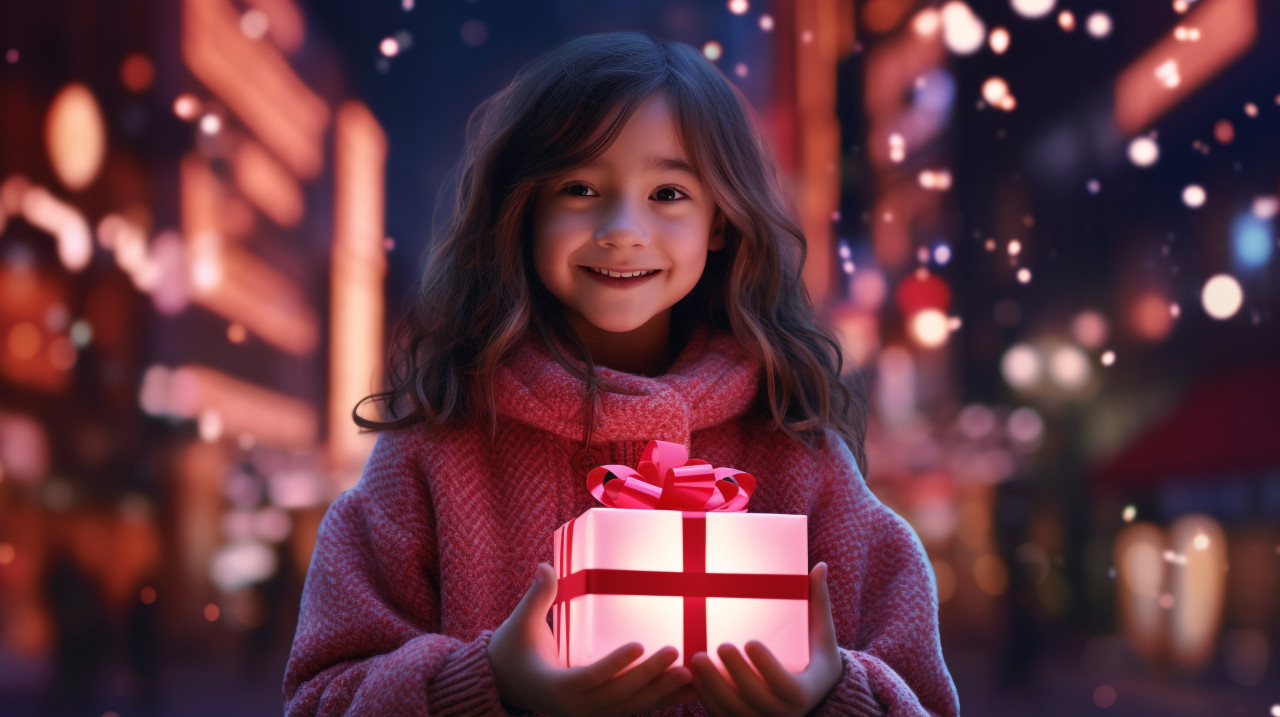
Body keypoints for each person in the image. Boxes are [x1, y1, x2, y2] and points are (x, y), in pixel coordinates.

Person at [284, 31, 959, 717]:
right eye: (579, 188)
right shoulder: (431, 453)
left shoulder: (801, 452)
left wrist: (835, 695)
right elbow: (317, 699)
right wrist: (483, 683)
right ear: (523, 208)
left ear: (720, 219)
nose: (622, 228)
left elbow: (922, 696)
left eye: (668, 192)